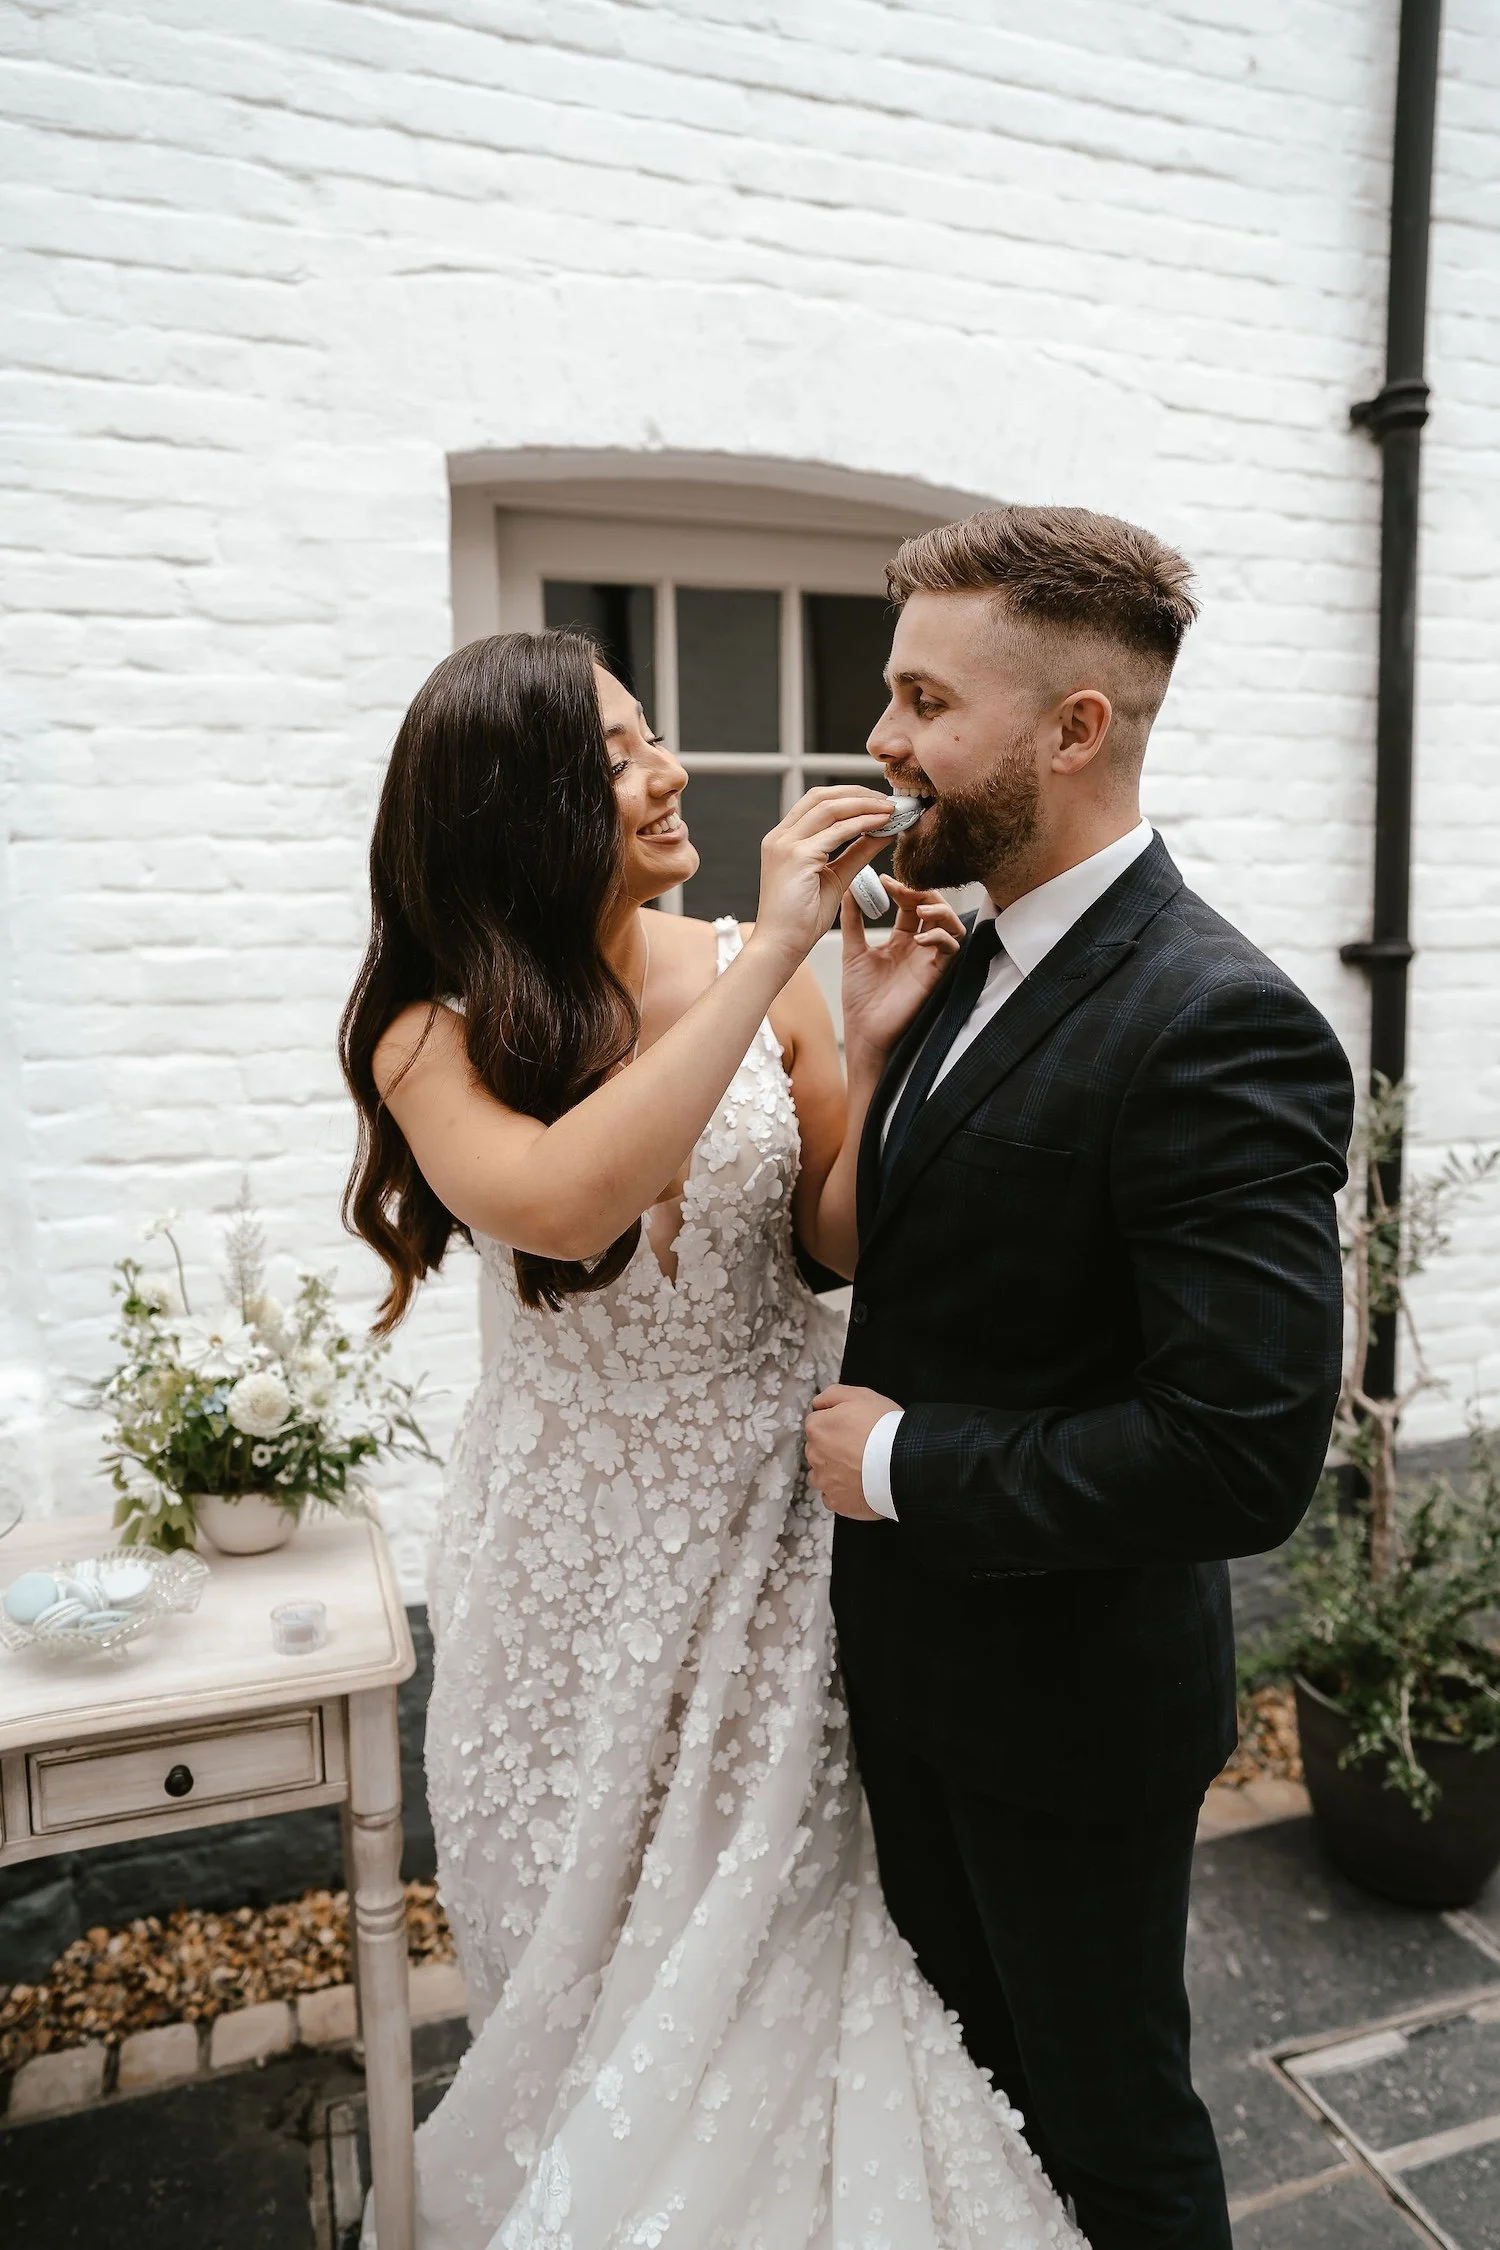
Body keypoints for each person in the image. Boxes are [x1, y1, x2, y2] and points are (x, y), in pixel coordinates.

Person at [339, 628, 1081, 2246]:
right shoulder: (430, 1026)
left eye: (651, 734)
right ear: (516, 803)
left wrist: (869, 1046)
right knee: (566, 1931)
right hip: (560, 1551)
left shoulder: (765, 966)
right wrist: (773, 960)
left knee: (765, 1927)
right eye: (615, 756)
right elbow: (562, 1199)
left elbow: (837, 1242)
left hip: (763, 1533)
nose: (666, 772)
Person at [805, 504, 1355, 2250]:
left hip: (1063, 1714)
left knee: (1108, 2128)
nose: (880, 742)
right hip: (916, 1673)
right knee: (969, 2097)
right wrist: (875, 1041)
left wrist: (906, 1465)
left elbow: (1240, 1451)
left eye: (920, 699)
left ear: (1074, 729)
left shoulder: (1218, 1020)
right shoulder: (969, 955)